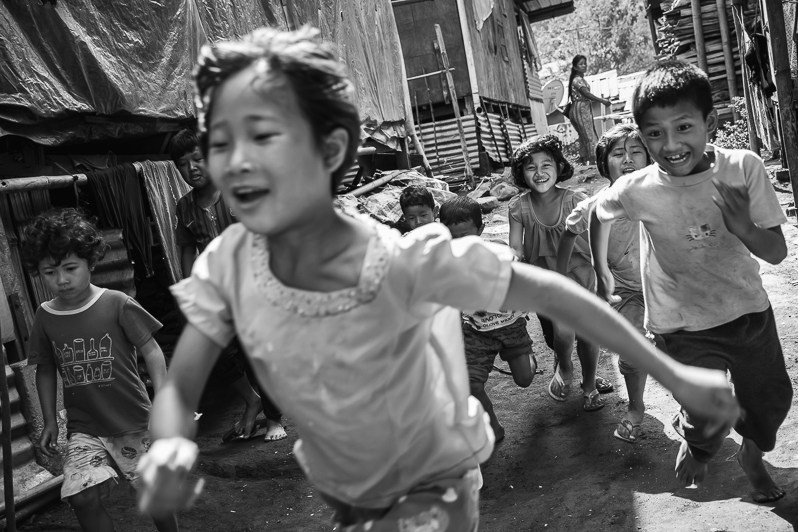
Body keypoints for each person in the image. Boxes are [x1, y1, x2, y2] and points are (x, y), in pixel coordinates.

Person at [135, 27, 740, 530]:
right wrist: (166, 442)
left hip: (432, 477)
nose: (238, 160)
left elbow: (551, 290)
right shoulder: (230, 261)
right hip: (343, 480)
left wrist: (672, 373)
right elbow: (184, 375)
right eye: (222, 142)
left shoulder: (402, 260)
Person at [590, 59, 791, 503]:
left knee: (772, 400)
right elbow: (596, 213)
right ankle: (699, 442)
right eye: (654, 133)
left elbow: (777, 253)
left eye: (683, 127)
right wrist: (602, 269)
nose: (671, 144)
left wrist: (744, 228)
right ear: (642, 135)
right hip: (679, 322)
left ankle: (751, 456)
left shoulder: (742, 168)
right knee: (708, 414)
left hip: (746, 311)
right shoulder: (635, 187)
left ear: (710, 122)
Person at [22, 209, 178, 532]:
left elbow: (152, 351)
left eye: (70, 268)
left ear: (90, 263)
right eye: (50, 272)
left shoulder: (117, 303)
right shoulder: (45, 316)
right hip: (84, 428)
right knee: (81, 497)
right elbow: (46, 368)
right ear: (38, 273)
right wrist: (50, 420)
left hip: (134, 421)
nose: (61, 280)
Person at [169, 129, 286, 442]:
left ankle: (274, 419)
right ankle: (252, 399)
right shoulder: (185, 207)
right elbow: (186, 250)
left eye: (198, 158)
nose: (192, 167)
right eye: (182, 163)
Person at [557, 124, 651, 443]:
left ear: (651, 158)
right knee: (631, 354)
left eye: (636, 151)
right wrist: (562, 275)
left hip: (670, 289)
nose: (628, 159)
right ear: (603, 163)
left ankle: (690, 409)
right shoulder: (594, 206)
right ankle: (636, 408)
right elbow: (569, 234)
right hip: (626, 293)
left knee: (686, 349)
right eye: (618, 153)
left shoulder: (666, 194)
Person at [508, 134, 613, 412]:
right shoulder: (518, 207)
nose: (539, 173)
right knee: (562, 332)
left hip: (581, 275)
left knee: (588, 335)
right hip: (546, 280)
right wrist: (509, 260)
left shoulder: (575, 199)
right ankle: (565, 368)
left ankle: (588, 384)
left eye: (546, 165)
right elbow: (516, 246)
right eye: (531, 167)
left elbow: (597, 235)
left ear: (559, 166)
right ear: (521, 173)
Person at [440, 196, 538, 443]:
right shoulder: (443, 263)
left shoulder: (500, 254)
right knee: (470, 386)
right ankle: (492, 428)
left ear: (481, 230)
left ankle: (528, 357)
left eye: (465, 235)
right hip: (475, 332)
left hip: (510, 327)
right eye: (453, 237)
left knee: (525, 380)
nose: (459, 243)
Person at [567, 55, 611, 165]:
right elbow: (586, 94)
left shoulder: (578, 79)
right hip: (581, 109)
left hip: (579, 109)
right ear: (575, 67)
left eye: (585, 63)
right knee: (589, 135)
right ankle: (594, 161)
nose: (584, 66)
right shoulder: (577, 80)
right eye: (581, 64)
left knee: (584, 137)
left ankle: (584, 162)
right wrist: (602, 101)